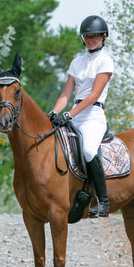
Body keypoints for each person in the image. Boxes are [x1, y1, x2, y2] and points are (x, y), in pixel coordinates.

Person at [48, 15, 114, 218]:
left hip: (93, 115)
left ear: (103, 36)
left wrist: (69, 114)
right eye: (87, 36)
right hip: (74, 114)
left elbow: (93, 95)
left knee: (87, 150)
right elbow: (66, 94)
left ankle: (103, 201)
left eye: (94, 36)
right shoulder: (77, 62)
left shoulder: (105, 61)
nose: (90, 39)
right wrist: (54, 112)